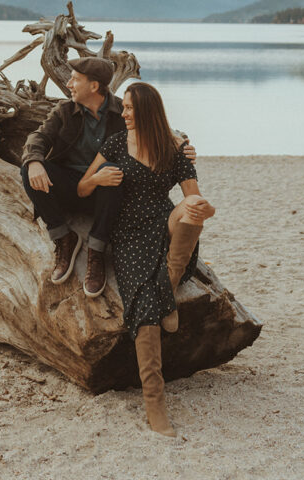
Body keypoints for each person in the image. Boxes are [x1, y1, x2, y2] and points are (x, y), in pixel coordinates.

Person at [78, 81, 214, 437]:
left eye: (129, 108)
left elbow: (192, 197)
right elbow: (81, 187)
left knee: (193, 209)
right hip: (129, 234)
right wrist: (96, 178)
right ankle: (155, 404)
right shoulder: (116, 143)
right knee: (145, 309)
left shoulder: (174, 149)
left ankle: (167, 282)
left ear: (147, 111)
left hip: (166, 223)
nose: (122, 113)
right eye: (122, 106)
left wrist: (196, 200)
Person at [20, 58, 196, 298]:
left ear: (94, 86)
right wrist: (34, 162)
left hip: (110, 194)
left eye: (75, 79)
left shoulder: (121, 112)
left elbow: (156, 126)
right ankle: (63, 238)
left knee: (114, 171)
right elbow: (37, 138)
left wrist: (182, 144)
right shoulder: (64, 111)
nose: (69, 84)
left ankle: (96, 250)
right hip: (72, 185)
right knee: (29, 168)